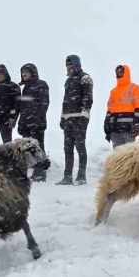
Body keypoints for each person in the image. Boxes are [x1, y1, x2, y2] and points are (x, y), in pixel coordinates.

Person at [57, 55, 93, 186]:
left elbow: (88, 98)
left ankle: (81, 176)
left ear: (77, 64)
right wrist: (62, 116)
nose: (69, 67)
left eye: (71, 64)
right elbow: (65, 100)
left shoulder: (85, 78)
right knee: (67, 148)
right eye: (67, 65)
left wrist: (84, 115)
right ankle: (67, 177)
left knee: (80, 146)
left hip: (80, 117)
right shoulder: (68, 81)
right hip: (68, 118)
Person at [18, 63, 50, 182]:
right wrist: (21, 123)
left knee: (38, 147)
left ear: (33, 72)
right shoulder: (25, 88)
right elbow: (23, 107)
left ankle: (40, 173)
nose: (23, 74)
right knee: (28, 148)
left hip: (37, 123)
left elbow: (44, 104)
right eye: (22, 72)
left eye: (26, 71)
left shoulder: (41, 84)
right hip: (26, 123)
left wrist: (37, 120)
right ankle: (35, 170)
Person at [104, 64, 139, 148]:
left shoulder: (135, 88)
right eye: (117, 71)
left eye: (121, 71)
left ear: (126, 72)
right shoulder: (114, 91)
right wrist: (106, 123)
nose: (119, 73)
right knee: (118, 155)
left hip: (128, 129)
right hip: (114, 128)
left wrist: (136, 123)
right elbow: (109, 109)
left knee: (129, 155)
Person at [0, 64, 21, 144]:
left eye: (0, 74)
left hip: (6, 120)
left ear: (5, 74)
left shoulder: (13, 86)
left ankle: (9, 156)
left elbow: (17, 104)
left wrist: (12, 118)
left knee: (7, 142)